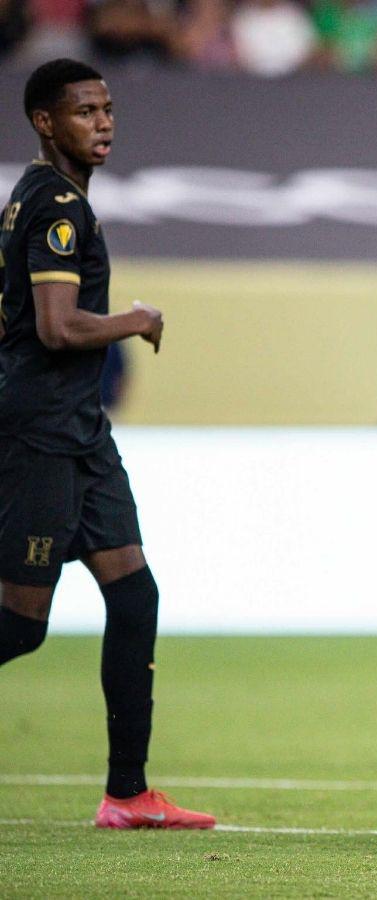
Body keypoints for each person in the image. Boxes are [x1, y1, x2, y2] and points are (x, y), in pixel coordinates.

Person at [0, 58, 215, 830]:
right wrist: (136, 319)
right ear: (44, 123)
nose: (104, 122)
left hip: (79, 432)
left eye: (108, 108)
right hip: (43, 434)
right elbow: (58, 326)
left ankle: (127, 793)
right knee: (21, 626)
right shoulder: (55, 205)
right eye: (84, 111)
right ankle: (127, 792)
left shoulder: (49, 200)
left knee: (133, 592)